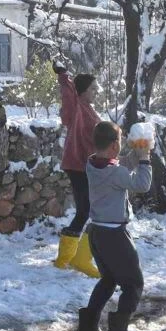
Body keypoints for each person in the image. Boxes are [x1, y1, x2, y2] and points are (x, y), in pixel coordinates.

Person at [74, 121, 152, 331]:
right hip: (114, 236)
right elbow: (142, 184)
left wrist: (131, 153)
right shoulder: (115, 173)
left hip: (96, 233)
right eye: (118, 142)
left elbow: (119, 165)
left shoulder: (92, 164)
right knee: (133, 283)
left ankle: (87, 327)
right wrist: (144, 157)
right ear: (113, 147)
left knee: (108, 280)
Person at [52, 60, 102, 278]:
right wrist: (63, 75)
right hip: (78, 166)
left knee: (89, 210)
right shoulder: (76, 108)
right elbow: (67, 95)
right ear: (81, 91)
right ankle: (69, 259)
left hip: (89, 166)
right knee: (86, 210)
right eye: (92, 88)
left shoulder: (89, 109)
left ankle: (72, 258)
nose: (96, 92)